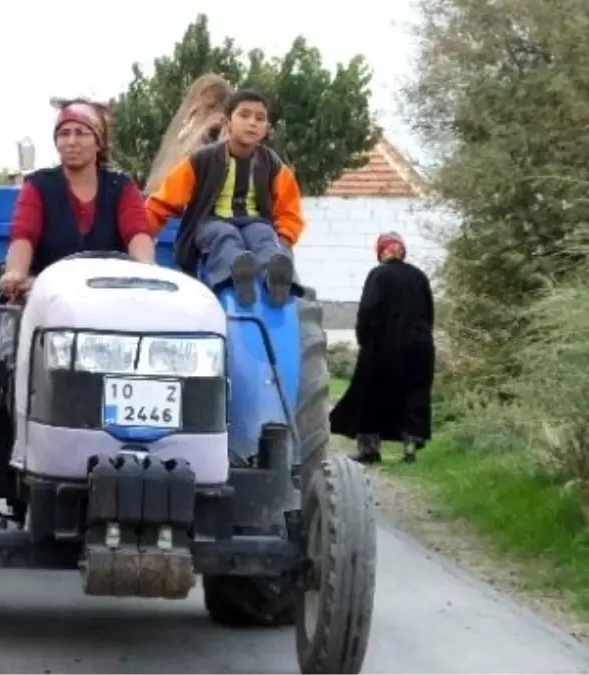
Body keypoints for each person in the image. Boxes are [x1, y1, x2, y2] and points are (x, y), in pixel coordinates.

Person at [143, 89, 306, 306]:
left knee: (264, 235)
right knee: (225, 236)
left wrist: (283, 241)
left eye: (260, 118)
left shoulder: (273, 165)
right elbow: (164, 200)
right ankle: (236, 275)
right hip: (212, 221)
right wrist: (141, 234)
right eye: (244, 115)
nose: (252, 123)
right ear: (227, 122)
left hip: (254, 221)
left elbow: (289, 209)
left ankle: (277, 276)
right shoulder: (201, 161)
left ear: (266, 128)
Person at [0, 99, 156, 298]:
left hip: (109, 299)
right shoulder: (38, 185)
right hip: (47, 300)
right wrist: (15, 274)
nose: (71, 141)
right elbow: (23, 235)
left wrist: (145, 272)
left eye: (80, 133)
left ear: (99, 142)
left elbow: (137, 233)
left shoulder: (121, 187)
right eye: (64, 134)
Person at [330, 232, 436, 465]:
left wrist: (364, 340)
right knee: (413, 395)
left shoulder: (378, 275)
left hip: (383, 346)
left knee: (370, 395)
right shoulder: (419, 276)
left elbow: (368, 311)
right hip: (419, 347)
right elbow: (428, 313)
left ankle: (370, 450)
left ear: (381, 252)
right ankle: (410, 448)